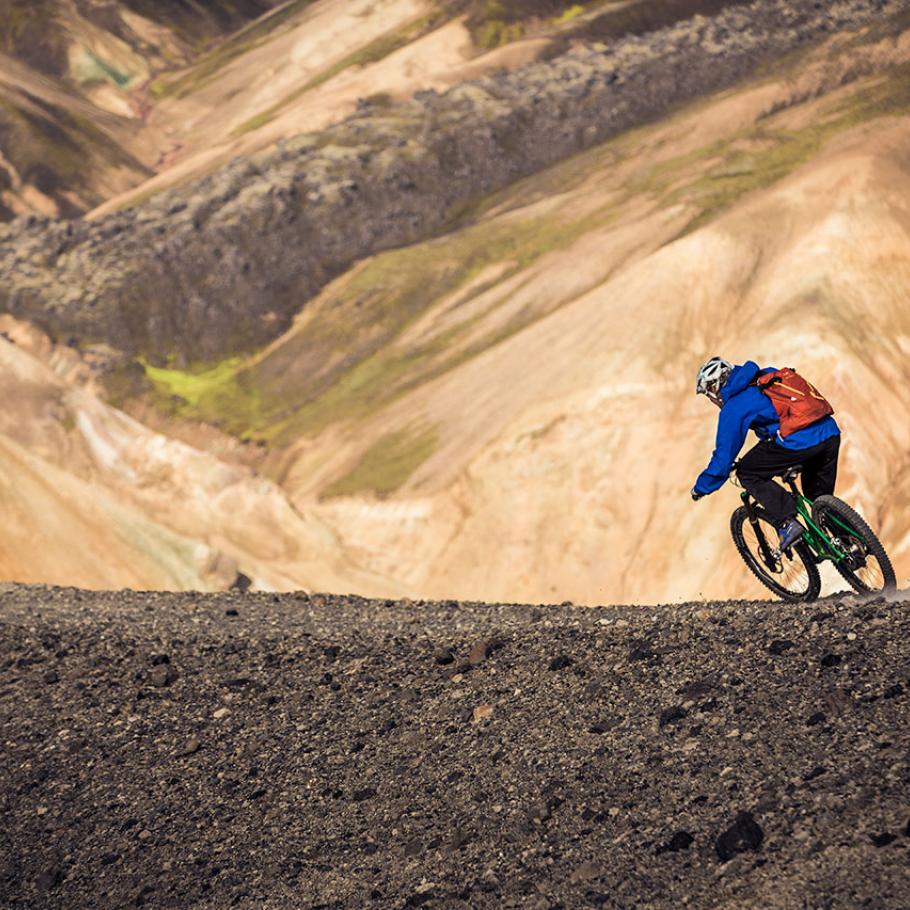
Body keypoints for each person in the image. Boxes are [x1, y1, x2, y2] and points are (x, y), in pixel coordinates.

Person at [691, 357, 841, 552]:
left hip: (799, 441)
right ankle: (852, 544)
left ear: (714, 390)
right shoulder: (766, 375)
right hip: (829, 432)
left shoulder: (734, 407)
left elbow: (724, 455)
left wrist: (702, 487)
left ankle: (787, 523)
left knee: (747, 472)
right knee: (818, 498)